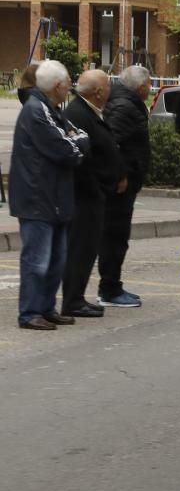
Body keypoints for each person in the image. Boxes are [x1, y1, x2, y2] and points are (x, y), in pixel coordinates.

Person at [10, 60, 90, 330]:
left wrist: (77, 142)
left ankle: (45, 308)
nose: (70, 87)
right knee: (37, 261)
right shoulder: (37, 111)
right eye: (68, 82)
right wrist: (78, 144)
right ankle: (30, 312)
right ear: (58, 86)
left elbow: (79, 136)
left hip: (54, 197)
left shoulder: (51, 109)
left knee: (56, 260)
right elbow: (67, 149)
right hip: (37, 198)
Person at [61, 69, 126, 318]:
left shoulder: (90, 111)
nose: (111, 90)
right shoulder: (78, 113)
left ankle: (77, 297)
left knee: (87, 248)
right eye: (108, 86)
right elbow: (82, 157)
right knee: (81, 248)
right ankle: (72, 300)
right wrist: (100, 185)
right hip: (85, 195)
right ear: (98, 92)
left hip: (94, 194)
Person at [99, 65, 151, 308]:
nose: (150, 88)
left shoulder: (125, 102)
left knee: (118, 236)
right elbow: (112, 145)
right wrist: (121, 175)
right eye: (149, 84)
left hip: (126, 182)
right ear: (141, 87)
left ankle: (112, 285)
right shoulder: (124, 106)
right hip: (120, 186)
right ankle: (109, 288)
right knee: (115, 236)